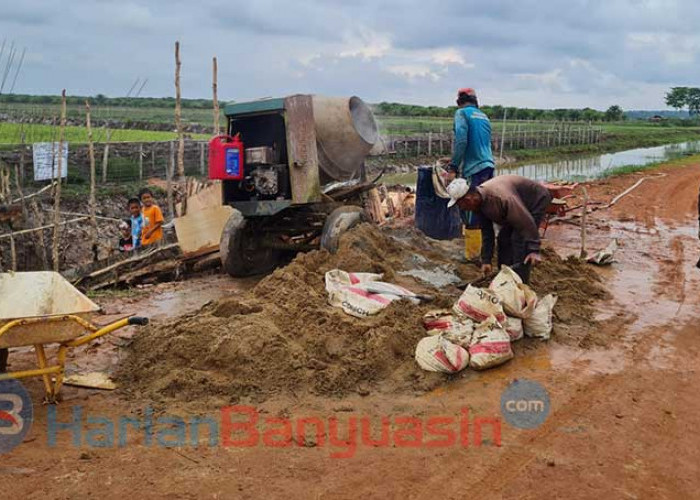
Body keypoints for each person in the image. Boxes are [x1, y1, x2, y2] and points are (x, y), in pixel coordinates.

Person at [447, 175, 552, 284]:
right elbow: (487, 232)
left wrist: (534, 249)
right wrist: (486, 260)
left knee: (518, 239)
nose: (461, 208)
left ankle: (520, 282)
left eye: (460, 205)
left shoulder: (501, 198)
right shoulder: (478, 203)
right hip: (515, 206)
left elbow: (525, 221)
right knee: (503, 239)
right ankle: (504, 277)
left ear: (468, 199)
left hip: (534, 200)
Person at [446, 88, 496, 229]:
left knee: (470, 207)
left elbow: (461, 141)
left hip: (474, 168)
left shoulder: (461, 113)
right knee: (485, 207)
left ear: (459, 102)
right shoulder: (483, 116)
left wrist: (453, 167)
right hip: (489, 166)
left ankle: (473, 248)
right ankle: (486, 247)